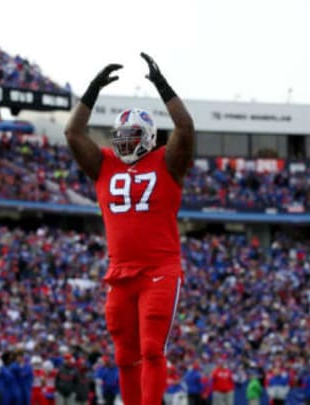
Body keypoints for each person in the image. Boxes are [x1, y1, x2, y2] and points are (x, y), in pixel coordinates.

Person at [64, 52, 195, 405]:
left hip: (159, 269)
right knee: (124, 355)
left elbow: (185, 129)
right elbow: (72, 131)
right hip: (119, 273)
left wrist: (163, 87)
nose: (124, 140)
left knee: (152, 348)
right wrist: (92, 91)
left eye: (133, 134)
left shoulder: (167, 162)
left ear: (149, 136)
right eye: (120, 134)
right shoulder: (104, 164)